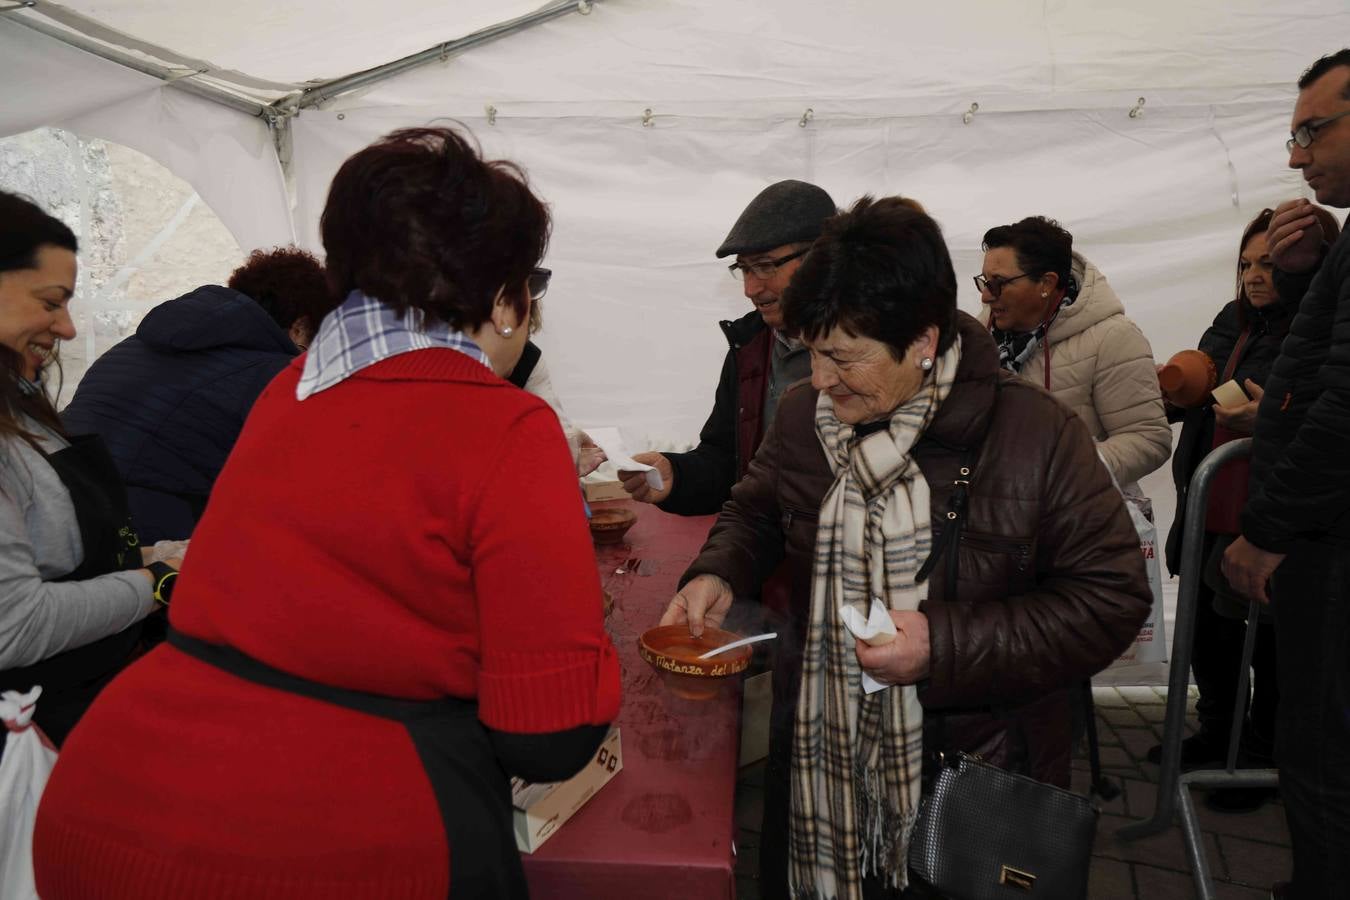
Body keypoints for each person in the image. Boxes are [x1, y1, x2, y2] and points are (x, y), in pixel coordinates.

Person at [33, 126, 621, 899]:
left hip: (107, 792)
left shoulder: (288, 389)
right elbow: (549, 738)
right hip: (335, 839)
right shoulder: (507, 427)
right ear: (509, 301)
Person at [661, 196, 1152, 899]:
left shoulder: (1036, 437)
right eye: (813, 353)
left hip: (971, 777)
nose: (821, 380)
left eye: (843, 357)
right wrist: (717, 569)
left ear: (922, 340)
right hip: (817, 764)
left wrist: (942, 644)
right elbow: (757, 509)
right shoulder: (806, 417)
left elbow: (1110, 598)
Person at [1151, 208, 1338, 812]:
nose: (1256, 276)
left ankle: (1259, 755)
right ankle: (1216, 734)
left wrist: (1268, 419)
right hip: (1211, 504)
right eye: (1247, 263)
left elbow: (1311, 410)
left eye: (1270, 263)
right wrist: (1172, 387)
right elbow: (1199, 389)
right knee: (1211, 631)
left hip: (1271, 511)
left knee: (1270, 643)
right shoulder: (1232, 320)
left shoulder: (1318, 326)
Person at [1222, 48, 1350, 900]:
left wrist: (1267, 530)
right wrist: (1314, 272)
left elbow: (1341, 409)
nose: (1297, 156)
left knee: (1326, 747)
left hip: (1331, 543)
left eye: (1313, 129)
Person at [0, 190, 180, 746]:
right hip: (38, 726)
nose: (70, 328)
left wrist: (151, 555)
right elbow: (14, 625)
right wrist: (155, 582)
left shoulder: (19, 407)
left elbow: (45, 550)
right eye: (52, 302)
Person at [60, 246, 330, 542]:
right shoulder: (274, 374)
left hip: (56, 503)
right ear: (300, 328)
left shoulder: (137, 344)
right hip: (136, 531)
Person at [620, 179, 835, 513]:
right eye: (744, 269)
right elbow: (727, 461)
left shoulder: (874, 352)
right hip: (771, 552)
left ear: (820, 258)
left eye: (765, 266)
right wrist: (675, 475)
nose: (750, 288)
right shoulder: (749, 348)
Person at [978, 216, 1170, 490]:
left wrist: (1065, 469)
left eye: (998, 283)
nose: (986, 296)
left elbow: (1148, 438)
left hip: (1081, 521)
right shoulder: (978, 337)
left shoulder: (1112, 337)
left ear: (1046, 283)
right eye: (984, 282)